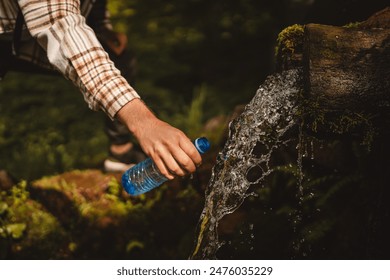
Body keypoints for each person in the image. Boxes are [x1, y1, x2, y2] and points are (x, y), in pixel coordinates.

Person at [0, 0, 202, 181]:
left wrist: (102, 29)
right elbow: (61, 26)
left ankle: (120, 153)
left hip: (21, 34)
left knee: (119, 57)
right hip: (10, 31)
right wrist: (143, 122)